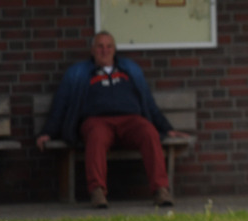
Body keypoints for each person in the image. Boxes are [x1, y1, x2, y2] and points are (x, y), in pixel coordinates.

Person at [36, 31, 186, 208]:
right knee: (96, 136)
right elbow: (61, 103)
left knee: (149, 132)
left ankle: (161, 190)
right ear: (92, 50)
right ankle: (97, 191)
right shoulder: (78, 73)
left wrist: (166, 128)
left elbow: (148, 102)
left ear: (115, 50)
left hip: (130, 120)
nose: (104, 50)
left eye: (109, 46)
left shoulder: (129, 71)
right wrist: (48, 132)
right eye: (100, 46)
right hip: (97, 121)